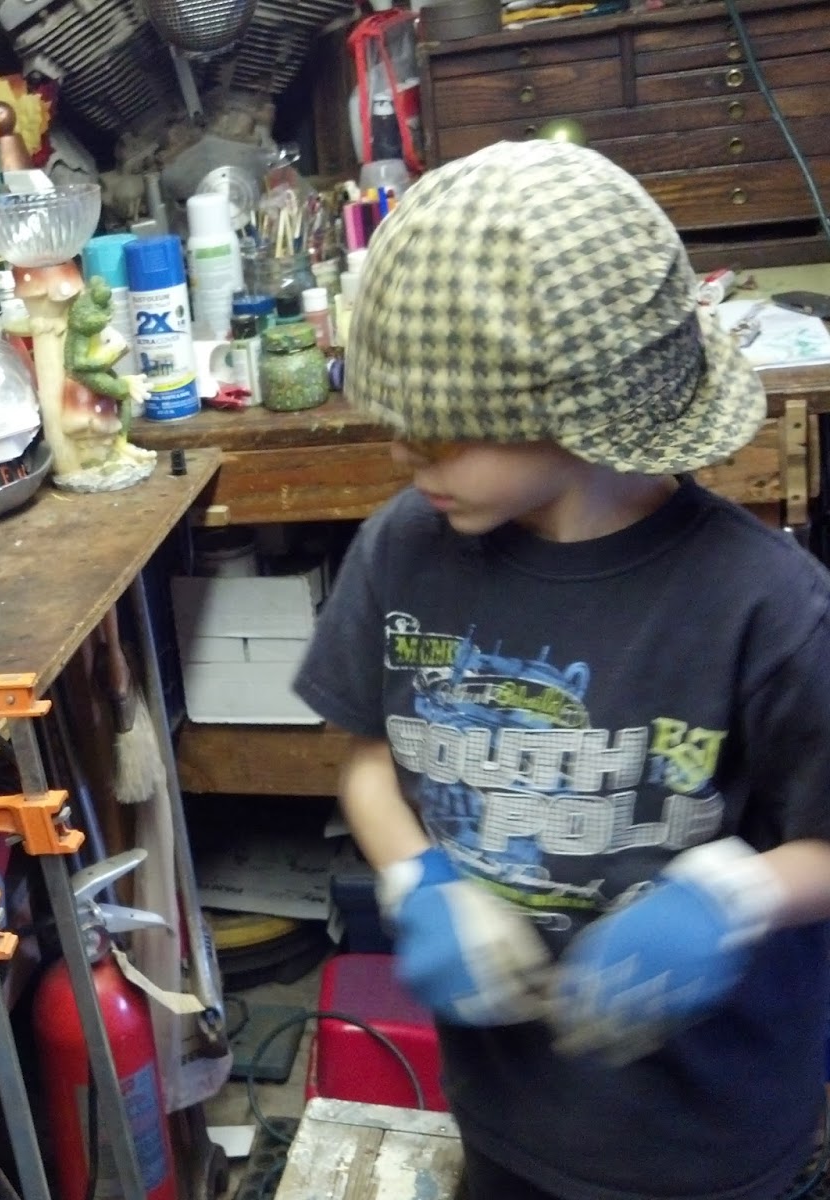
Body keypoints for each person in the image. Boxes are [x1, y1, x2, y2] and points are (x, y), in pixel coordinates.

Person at [294, 139, 830, 1200]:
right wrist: (415, 874)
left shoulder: (763, 605)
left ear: (582, 416)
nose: (404, 455)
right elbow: (367, 758)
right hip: (506, 1107)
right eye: (398, 426)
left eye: (440, 435)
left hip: (707, 1135)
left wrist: (732, 898)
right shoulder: (405, 549)